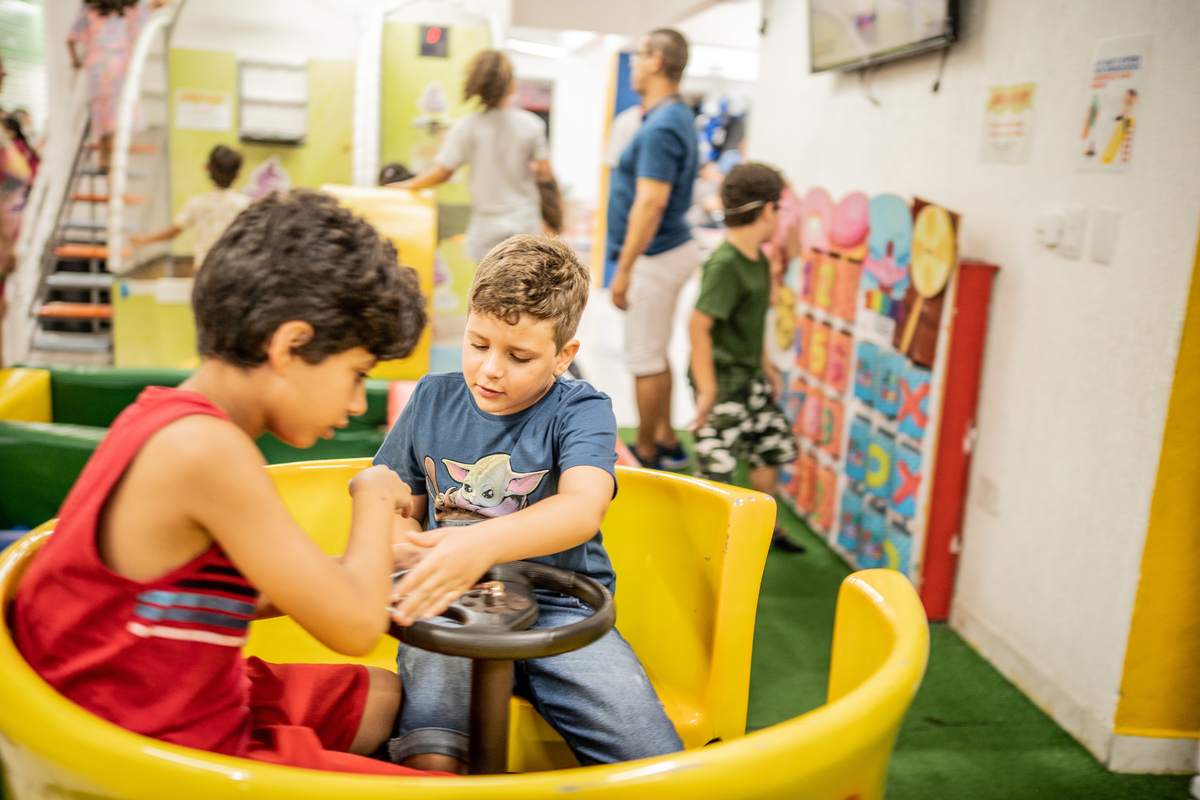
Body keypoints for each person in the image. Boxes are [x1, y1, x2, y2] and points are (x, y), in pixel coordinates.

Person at [11, 189, 445, 776]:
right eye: (355, 375)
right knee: (437, 779)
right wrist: (372, 495)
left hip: (171, 691)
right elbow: (355, 625)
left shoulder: (166, 417)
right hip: (165, 754)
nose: (351, 404)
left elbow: (209, 592)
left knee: (390, 698)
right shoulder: (205, 451)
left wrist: (364, 564)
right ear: (290, 346)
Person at [376, 235, 684, 773]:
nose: (490, 369)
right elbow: (395, 501)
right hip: (450, 596)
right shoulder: (430, 397)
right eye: (478, 344)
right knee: (432, 751)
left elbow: (582, 508)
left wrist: (475, 543)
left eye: (518, 356)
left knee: (653, 762)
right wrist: (401, 542)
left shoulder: (582, 410)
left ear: (564, 357)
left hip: (560, 607)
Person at [688, 163, 805, 553]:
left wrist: (766, 365)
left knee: (769, 445)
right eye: (781, 210)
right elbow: (698, 326)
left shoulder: (755, 257)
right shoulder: (726, 265)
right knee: (717, 468)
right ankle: (709, 541)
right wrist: (707, 391)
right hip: (724, 383)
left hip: (750, 375)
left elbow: (751, 323)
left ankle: (763, 529)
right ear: (768, 210)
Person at [606, 29, 699, 471]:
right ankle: (663, 438)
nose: (633, 63)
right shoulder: (672, 115)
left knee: (644, 356)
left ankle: (644, 452)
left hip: (655, 254)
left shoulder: (663, 123)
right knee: (656, 351)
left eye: (639, 55)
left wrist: (624, 267)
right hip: (668, 249)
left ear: (658, 61)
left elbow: (651, 201)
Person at [387, 50, 561, 259]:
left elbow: (443, 172)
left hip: (486, 222)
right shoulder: (531, 124)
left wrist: (405, 185)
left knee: (487, 286)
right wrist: (553, 219)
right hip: (523, 219)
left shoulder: (466, 126)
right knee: (524, 284)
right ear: (511, 85)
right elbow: (545, 174)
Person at [68, 0, 169, 175]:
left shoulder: (89, 9)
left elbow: (70, 38)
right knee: (117, 112)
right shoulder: (126, 9)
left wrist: (76, 61)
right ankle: (114, 162)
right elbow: (146, 13)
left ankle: (102, 158)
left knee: (101, 110)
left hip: (97, 65)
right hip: (119, 63)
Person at [130, 144, 250, 269]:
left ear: (207, 167)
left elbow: (173, 231)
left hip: (204, 270)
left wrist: (145, 240)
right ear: (238, 176)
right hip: (234, 269)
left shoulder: (197, 203)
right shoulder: (246, 205)